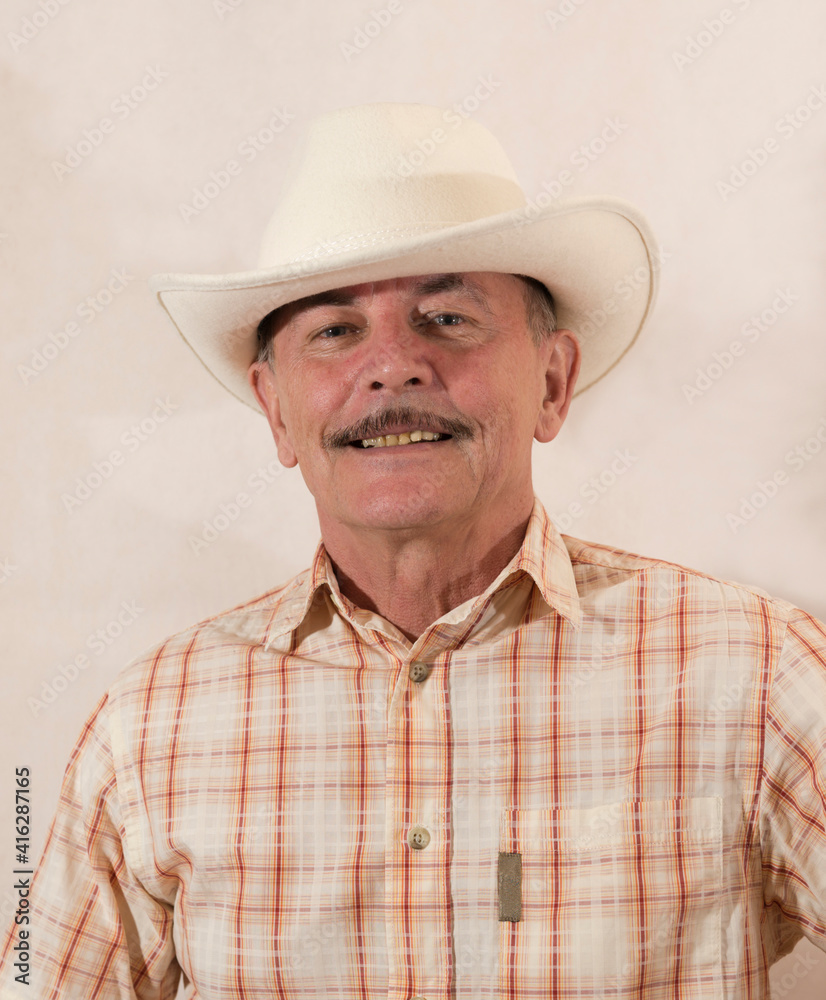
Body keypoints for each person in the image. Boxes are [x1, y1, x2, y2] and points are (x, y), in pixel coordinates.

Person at [1, 102, 824, 1000]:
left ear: (553, 383)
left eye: (447, 319)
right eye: (334, 332)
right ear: (277, 411)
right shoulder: (147, 728)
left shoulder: (758, 677)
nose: (392, 366)